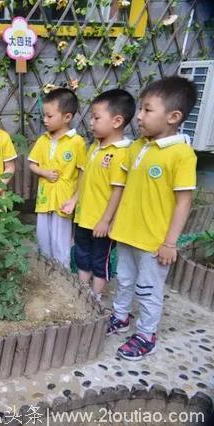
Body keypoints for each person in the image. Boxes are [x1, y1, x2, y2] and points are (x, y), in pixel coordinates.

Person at [107, 76, 198, 361]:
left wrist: (170, 243)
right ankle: (120, 318)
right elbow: (122, 189)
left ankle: (147, 335)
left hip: (153, 241)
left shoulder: (182, 154)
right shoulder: (136, 146)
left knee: (148, 289)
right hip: (126, 232)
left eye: (148, 110)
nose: (140, 117)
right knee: (123, 280)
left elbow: (184, 201)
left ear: (173, 117)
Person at [74, 89, 136, 300]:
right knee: (82, 254)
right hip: (83, 217)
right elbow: (85, 180)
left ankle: (96, 296)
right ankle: (82, 291)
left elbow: (118, 190)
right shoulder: (94, 147)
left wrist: (106, 220)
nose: (91, 122)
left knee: (100, 259)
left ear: (117, 121)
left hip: (102, 222)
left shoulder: (121, 153)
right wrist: (75, 201)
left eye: (96, 117)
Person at [28, 88, 87, 268]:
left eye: (49, 116)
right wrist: (44, 173)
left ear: (67, 117)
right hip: (44, 199)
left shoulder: (76, 142)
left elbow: (84, 173)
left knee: (61, 243)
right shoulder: (43, 140)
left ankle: (63, 281)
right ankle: (46, 276)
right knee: (43, 239)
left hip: (64, 202)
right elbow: (32, 164)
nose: (45, 120)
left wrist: (75, 200)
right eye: (43, 116)